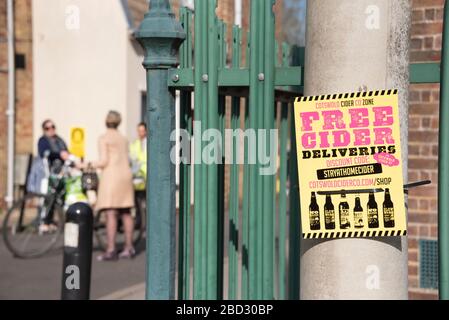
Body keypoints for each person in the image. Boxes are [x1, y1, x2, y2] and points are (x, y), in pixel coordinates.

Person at [84, 111, 135, 261]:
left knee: (111, 212)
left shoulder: (104, 138)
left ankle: (111, 249)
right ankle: (129, 247)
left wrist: (87, 164)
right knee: (126, 212)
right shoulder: (123, 138)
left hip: (111, 177)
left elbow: (104, 161)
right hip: (125, 176)